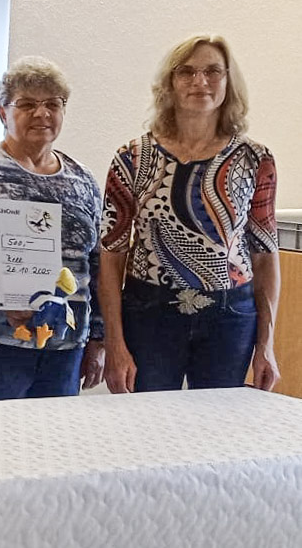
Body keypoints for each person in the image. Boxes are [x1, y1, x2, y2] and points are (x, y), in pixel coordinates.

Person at [99, 34, 280, 394]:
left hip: (229, 317)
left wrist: (267, 345)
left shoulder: (256, 159)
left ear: (228, 81)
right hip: (149, 314)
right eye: (187, 72)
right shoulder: (131, 158)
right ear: (170, 83)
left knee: (219, 423)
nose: (200, 81)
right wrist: (114, 343)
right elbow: (111, 255)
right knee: (145, 420)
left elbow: (264, 255)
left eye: (213, 71)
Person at [0, 57, 105, 401]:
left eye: (52, 104)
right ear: (2, 113)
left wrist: (98, 339)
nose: (42, 113)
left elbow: (97, 265)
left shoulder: (84, 180)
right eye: (27, 104)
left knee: (55, 435)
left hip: (67, 347)